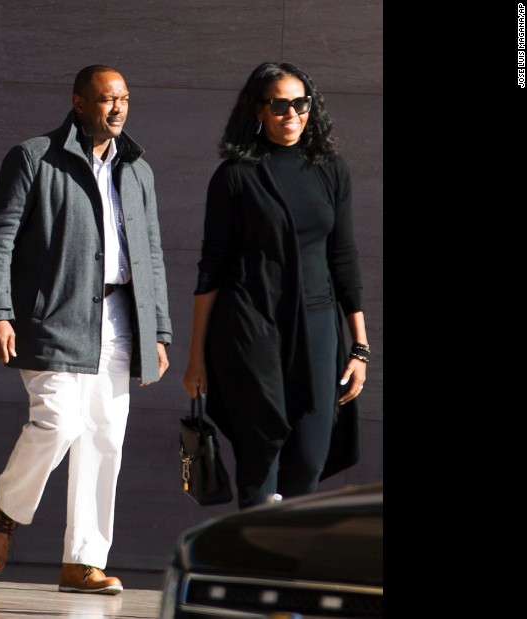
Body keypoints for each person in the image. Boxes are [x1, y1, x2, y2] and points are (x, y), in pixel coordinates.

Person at [0, 65, 172, 595]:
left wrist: (159, 331)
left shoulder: (137, 169)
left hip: (118, 321)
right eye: (107, 99)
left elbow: (149, 254)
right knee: (58, 424)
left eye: (125, 98)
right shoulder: (35, 157)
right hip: (52, 317)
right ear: (79, 103)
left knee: (105, 439)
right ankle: (5, 510)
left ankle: (83, 561)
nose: (118, 108)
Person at [181, 62, 368, 510]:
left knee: (309, 455)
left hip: (318, 326)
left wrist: (359, 346)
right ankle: (255, 570)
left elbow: (343, 256)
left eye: (300, 104)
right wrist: (196, 356)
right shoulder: (234, 176)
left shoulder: (330, 170)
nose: (291, 115)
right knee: (260, 452)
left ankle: (287, 563)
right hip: (250, 327)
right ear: (258, 111)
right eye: (279, 105)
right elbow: (213, 267)